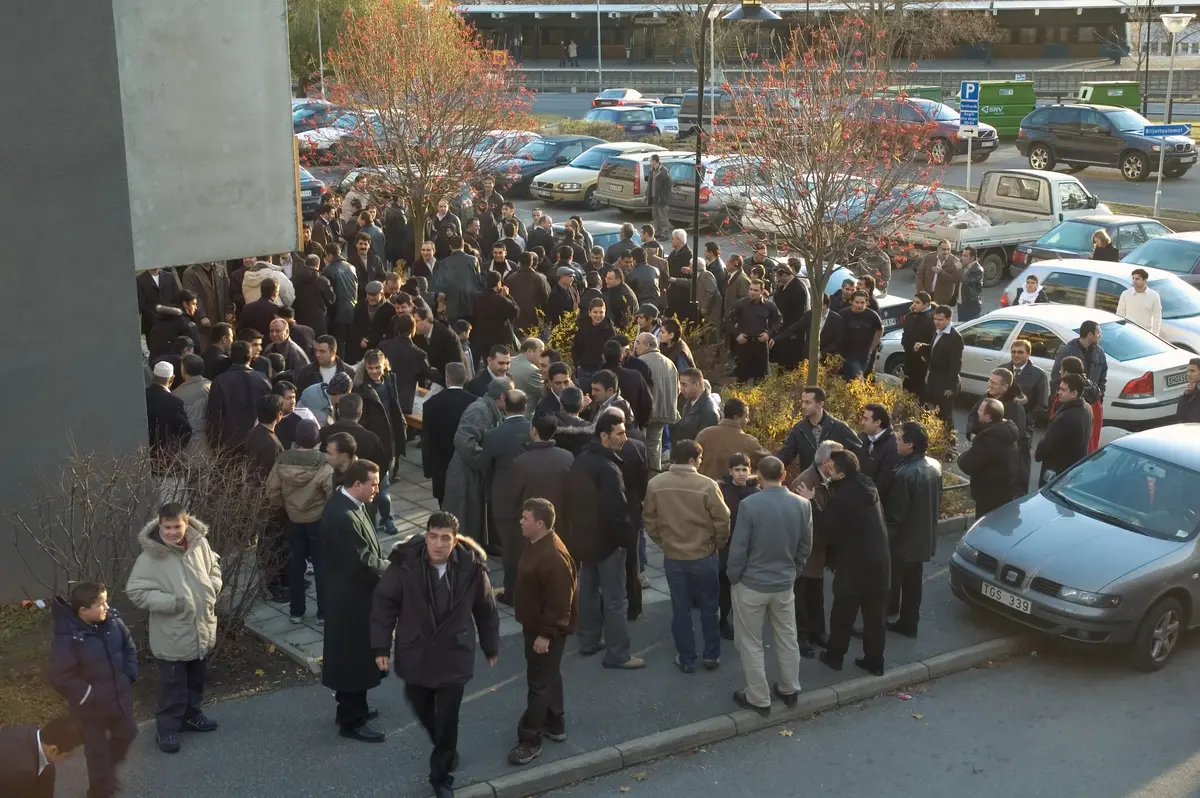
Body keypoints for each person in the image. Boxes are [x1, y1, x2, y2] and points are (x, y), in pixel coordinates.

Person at [370, 512, 500, 797]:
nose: (438, 544)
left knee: (448, 717)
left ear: (455, 541)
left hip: (455, 651)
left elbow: (486, 608)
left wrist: (490, 645)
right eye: (433, 537)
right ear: (426, 536)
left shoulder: (471, 567)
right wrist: (380, 646)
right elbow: (384, 603)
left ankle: (441, 777)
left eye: (445, 538)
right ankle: (444, 745)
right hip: (416, 650)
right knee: (419, 701)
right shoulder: (405, 563)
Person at [125, 502, 222, 754]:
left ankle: (192, 715)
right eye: (167, 527)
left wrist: (212, 587)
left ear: (185, 523)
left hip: (201, 629)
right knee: (173, 687)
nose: (172, 532)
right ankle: (166, 728)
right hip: (172, 634)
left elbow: (214, 567)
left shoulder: (200, 544)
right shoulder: (150, 556)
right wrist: (172, 603)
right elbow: (135, 591)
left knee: (196, 680)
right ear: (160, 525)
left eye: (176, 526)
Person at [725, 456, 810, 715]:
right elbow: (805, 546)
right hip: (784, 583)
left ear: (759, 477)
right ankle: (789, 688)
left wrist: (733, 576)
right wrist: (794, 571)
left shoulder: (750, 505)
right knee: (787, 637)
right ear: (784, 475)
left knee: (750, 642)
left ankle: (758, 697)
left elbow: (739, 548)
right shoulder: (803, 505)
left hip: (751, 584)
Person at [562, 411, 644, 669]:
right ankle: (618, 654)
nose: (625, 438)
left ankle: (588, 640)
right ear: (604, 436)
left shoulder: (581, 461)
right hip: (608, 542)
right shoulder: (609, 468)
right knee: (615, 598)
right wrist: (626, 540)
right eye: (620, 433)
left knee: (586, 591)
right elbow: (615, 511)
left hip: (585, 539)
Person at [644, 439, 731, 673]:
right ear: (693, 460)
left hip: (674, 556)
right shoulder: (707, 485)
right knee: (709, 608)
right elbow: (722, 520)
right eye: (700, 459)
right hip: (704, 555)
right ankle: (711, 655)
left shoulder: (656, 484)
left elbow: (649, 520)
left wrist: (663, 542)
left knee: (680, 609)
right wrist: (716, 544)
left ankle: (687, 658)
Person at [800, 450, 890, 676]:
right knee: (875, 618)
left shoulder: (841, 499)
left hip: (853, 567)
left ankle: (834, 657)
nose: (827, 468)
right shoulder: (867, 484)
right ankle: (874, 661)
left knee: (843, 615)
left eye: (832, 466)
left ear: (841, 474)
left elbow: (825, 530)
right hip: (879, 563)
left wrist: (812, 502)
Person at [317, 460, 389, 744]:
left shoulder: (350, 506)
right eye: (373, 483)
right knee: (354, 660)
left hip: (355, 598)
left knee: (356, 659)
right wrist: (391, 569)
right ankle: (351, 720)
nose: (377, 489)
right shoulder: (342, 516)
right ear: (357, 484)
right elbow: (361, 563)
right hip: (351, 603)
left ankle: (353, 709)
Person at [48, 581, 137, 798]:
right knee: (97, 752)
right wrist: (88, 694)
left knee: (128, 732)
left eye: (106, 602)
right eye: (101, 604)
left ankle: (107, 772)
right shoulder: (68, 638)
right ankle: (100, 791)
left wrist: (129, 674)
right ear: (84, 611)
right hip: (90, 709)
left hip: (117, 698)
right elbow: (59, 676)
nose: (107, 608)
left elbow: (128, 646)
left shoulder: (113, 622)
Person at [507, 499, 577, 766]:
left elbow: (561, 603)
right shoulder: (538, 545)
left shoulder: (553, 558)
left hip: (544, 631)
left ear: (540, 524)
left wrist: (545, 635)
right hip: (536, 627)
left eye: (525, 518)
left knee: (538, 682)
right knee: (548, 675)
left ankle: (530, 739)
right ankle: (555, 723)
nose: (520, 521)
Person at [267, 419, 334, 624]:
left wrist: (287, 506)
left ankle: (296, 612)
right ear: (318, 440)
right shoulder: (324, 463)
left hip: (293, 520)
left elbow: (272, 491)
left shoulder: (283, 460)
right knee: (322, 568)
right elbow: (331, 493)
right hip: (318, 521)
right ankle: (323, 612)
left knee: (296, 566)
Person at [884, 422, 940, 638]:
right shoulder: (933, 466)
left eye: (900, 439)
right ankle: (909, 622)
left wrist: (886, 539)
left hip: (903, 540)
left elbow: (896, 515)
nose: (897, 442)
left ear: (911, 445)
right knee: (913, 584)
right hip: (923, 536)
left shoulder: (905, 474)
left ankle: (891, 618)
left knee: (894, 581)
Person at [444, 378, 512, 548]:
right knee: (463, 518)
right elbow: (463, 439)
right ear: (503, 397)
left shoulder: (491, 409)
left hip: (473, 474)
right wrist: (485, 460)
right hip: (465, 474)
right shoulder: (479, 410)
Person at [482, 389, 533, 603]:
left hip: (503, 499)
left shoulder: (493, 435)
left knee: (509, 548)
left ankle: (512, 591)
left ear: (504, 406)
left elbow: (486, 467)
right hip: (531, 496)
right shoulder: (533, 429)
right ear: (525, 407)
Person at [353, 350, 405, 531]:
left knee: (384, 485)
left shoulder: (390, 381)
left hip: (388, 440)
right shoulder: (361, 388)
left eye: (377, 368)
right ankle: (380, 519)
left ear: (384, 366)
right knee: (377, 486)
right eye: (370, 368)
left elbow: (395, 406)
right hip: (372, 442)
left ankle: (386, 518)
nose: (374, 372)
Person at [420, 363, 477, 507]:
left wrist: (428, 469)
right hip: (467, 465)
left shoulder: (431, 404)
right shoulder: (475, 403)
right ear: (466, 377)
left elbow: (427, 439)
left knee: (444, 507)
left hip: (441, 467)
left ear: (447, 378)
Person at [206, 340, 272, 453]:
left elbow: (215, 416)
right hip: (259, 440)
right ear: (250, 357)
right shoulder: (263, 380)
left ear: (230, 356)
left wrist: (214, 443)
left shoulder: (220, 381)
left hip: (229, 443)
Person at [958, 398, 1020, 517]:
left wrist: (961, 457)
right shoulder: (1007, 433)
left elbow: (968, 464)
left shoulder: (989, 440)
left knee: (985, 529)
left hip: (988, 496)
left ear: (988, 417)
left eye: (980, 411)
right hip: (1005, 492)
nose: (977, 412)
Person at [1051, 320, 1107, 452]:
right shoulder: (1068, 351)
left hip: (1090, 400)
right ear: (1090, 334)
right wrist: (1059, 396)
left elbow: (1102, 377)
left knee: (1089, 439)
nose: (1100, 336)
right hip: (1069, 400)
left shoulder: (1099, 353)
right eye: (1098, 333)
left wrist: (1100, 394)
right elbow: (1055, 377)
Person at [777, 385, 861, 472]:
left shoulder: (839, 427)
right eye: (802, 402)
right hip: (809, 482)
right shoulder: (799, 429)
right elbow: (786, 455)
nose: (803, 406)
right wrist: (768, 470)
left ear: (820, 404)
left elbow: (858, 452)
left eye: (807, 402)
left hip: (836, 482)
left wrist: (843, 470)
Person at [1001, 339, 1047, 492]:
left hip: (1024, 428)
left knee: (1021, 465)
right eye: (1013, 352)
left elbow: (1042, 406)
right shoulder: (1003, 370)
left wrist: (1028, 417)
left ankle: (1020, 496)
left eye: (1020, 352)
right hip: (1002, 424)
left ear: (1028, 354)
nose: (1016, 355)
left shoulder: (1038, 375)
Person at [0, 715, 84, 797]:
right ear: (53, 750)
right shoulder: (22, 772)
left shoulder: (29, 730)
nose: (66, 760)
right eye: (67, 756)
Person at [1036, 373, 1093, 486]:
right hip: (1073, 469)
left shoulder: (1065, 418)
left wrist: (1038, 452)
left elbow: (1048, 444)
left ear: (1074, 393)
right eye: (1059, 388)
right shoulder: (1087, 408)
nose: (1059, 392)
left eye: (1063, 390)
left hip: (1056, 472)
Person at [512, 413, 576, 514]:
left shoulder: (521, 461)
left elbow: (514, 497)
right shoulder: (568, 457)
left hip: (531, 522)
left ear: (534, 431)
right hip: (559, 521)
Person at [634, 332, 679, 471]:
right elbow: (677, 389)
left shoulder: (641, 362)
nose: (636, 346)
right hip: (665, 411)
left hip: (647, 412)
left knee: (643, 446)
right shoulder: (670, 363)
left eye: (638, 343)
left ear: (647, 345)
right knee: (655, 445)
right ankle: (655, 474)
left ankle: (647, 478)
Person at [694, 398, 770, 481]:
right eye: (746, 417)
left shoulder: (704, 434)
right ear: (736, 417)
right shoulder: (748, 441)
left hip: (704, 489)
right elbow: (770, 463)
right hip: (736, 492)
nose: (748, 420)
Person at [318, 392, 388, 473]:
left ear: (338, 411)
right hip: (360, 483)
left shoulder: (323, 433)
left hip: (327, 483)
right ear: (360, 413)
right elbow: (381, 467)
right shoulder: (372, 439)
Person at [727, 279, 782, 383]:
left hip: (760, 344)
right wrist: (737, 334)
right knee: (742, 377)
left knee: (761, 378)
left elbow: (779, 321)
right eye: (751, 289)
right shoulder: (740, 304)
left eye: (756, 290)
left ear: (762, 291)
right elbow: (728, 321)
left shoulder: (769, 306)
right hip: (744, 343)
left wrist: (769, 333)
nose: (752, 292)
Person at [919, 306, 963, 427]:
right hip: (934, 380)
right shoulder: (939, 331)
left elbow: (955, 363)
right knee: (930, 410)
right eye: (935, 319)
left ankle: (949, 442)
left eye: (940, 319)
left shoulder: (955, 337)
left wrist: (950, 387)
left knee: (945, 416)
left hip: (945, 383)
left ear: (949, 319)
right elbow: (935, 350)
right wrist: (923, 347)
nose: (937, 322)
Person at [858, 403, 902, 503]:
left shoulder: (892, 445)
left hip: (876, 503)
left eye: (866, 419)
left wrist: (866, 498)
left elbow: (884, 481)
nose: (862, 422)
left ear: (877, 422)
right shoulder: (862, 438)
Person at [768, 260, 808, 370]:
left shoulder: (798, 289)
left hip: (791, 333)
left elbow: (797, 315)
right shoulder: (782, 287)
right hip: (781, 329)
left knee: (789, 364)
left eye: (778, 276)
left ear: (785, 274)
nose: (777, 279)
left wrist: (787, 332)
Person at [146, 361, 192, 457]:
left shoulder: (142, 397)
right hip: (166, 455)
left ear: (153, 376)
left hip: (143, 453)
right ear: (172, 379)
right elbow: (184, 431)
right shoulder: (174, 401)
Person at [837, 290, 884, 380]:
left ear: (867, 303)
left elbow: (880, 329)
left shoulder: (872, 315)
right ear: (851, 302)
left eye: (862, 302)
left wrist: (872, 347)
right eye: (857, 302)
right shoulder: (843, 314)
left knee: (858, 376)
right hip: (847, 352)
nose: (860, 305)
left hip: (864, 353)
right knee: (850, 378)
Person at [348, 281, 397, 365]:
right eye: (369, 295)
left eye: (374, 295)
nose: (371, 298)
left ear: (381, 294)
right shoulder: (359, 307)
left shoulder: (391, 310)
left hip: (380, 351)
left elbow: (390, 331)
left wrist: (374, 340)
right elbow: (354, 326)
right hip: (360, 352)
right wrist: (360, 339)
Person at [323, 244, 359, 353]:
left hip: (337, 313)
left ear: (329, 255)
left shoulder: (328, 270)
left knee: (338, 345)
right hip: (353, 310)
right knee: (351, 344)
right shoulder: (351, 267)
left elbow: (328, 295)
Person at [901, 292, 936, 398]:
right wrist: (905, 343)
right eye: (914, 302)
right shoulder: (911, 315)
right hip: (909, 357)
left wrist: (923, 353)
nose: (914, 305)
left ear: (926, 304)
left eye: (917, 302)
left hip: (922, 361)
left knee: (918, 390)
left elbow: (933, 340)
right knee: (907, 387)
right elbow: (906, 333)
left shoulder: (932, 319)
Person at [672, 367, 719, 443]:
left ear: (696, 384)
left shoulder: (709, 411)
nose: (681, 389)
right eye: (680, 384)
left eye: (684, 385)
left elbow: (704, 443)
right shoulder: (689, 403)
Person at [914, 239, 961, 307]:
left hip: (943, 299)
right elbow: (920, 274)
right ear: (938, 249)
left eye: (948, 249)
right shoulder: (929, 257)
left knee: (938, 317)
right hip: (927, 295)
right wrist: (921, 290)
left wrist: (941, 272)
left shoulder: (954, 261)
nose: (946, 252)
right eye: (944, 249)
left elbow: (955, 279)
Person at [1116, 268, 1162, 336]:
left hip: (1145, 334)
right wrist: (1118, 332)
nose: (1134, 281)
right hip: (1128, 332)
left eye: (1137, 279)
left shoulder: (1154, 295)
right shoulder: (1125, 294)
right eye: (1133, 278)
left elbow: (1157, 317)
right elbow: (1120, 314)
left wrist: (1155, 335)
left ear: (1145, 280)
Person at [508, 338, 544, 409]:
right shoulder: (533, 370)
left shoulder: (508, 362)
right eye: (541, 352)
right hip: (525, 416)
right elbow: (546, 394)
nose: (542, 356)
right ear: (529, 351)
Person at [646, 155, 672, 247]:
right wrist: (647, 196)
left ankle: (665, 234)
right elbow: (650, 184)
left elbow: (668, 186)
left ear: (655, 161)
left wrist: (664, 197)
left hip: (662, 198)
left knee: (663, 216)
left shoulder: (663, 171)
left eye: (651, 160)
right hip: (654, 197)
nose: (650, 162)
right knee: (655, 215)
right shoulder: (651, 171)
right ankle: (657, 232)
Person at [958, 246, 984, 322]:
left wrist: (960, 270)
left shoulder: (977, 269)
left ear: (972, 258)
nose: (962, 258)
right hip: (961, 303)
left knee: (969, 328)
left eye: (965, 256)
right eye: (962, 255)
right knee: (960, 326)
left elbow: (966, 282)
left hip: (971, 304)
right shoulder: (965, 267)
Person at [1178, 357, 1200, 423]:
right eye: (1188, 371)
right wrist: (1186, 396)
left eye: (1192, 371)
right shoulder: (1191, 391)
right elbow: (1180, 416)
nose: (1188, 374)